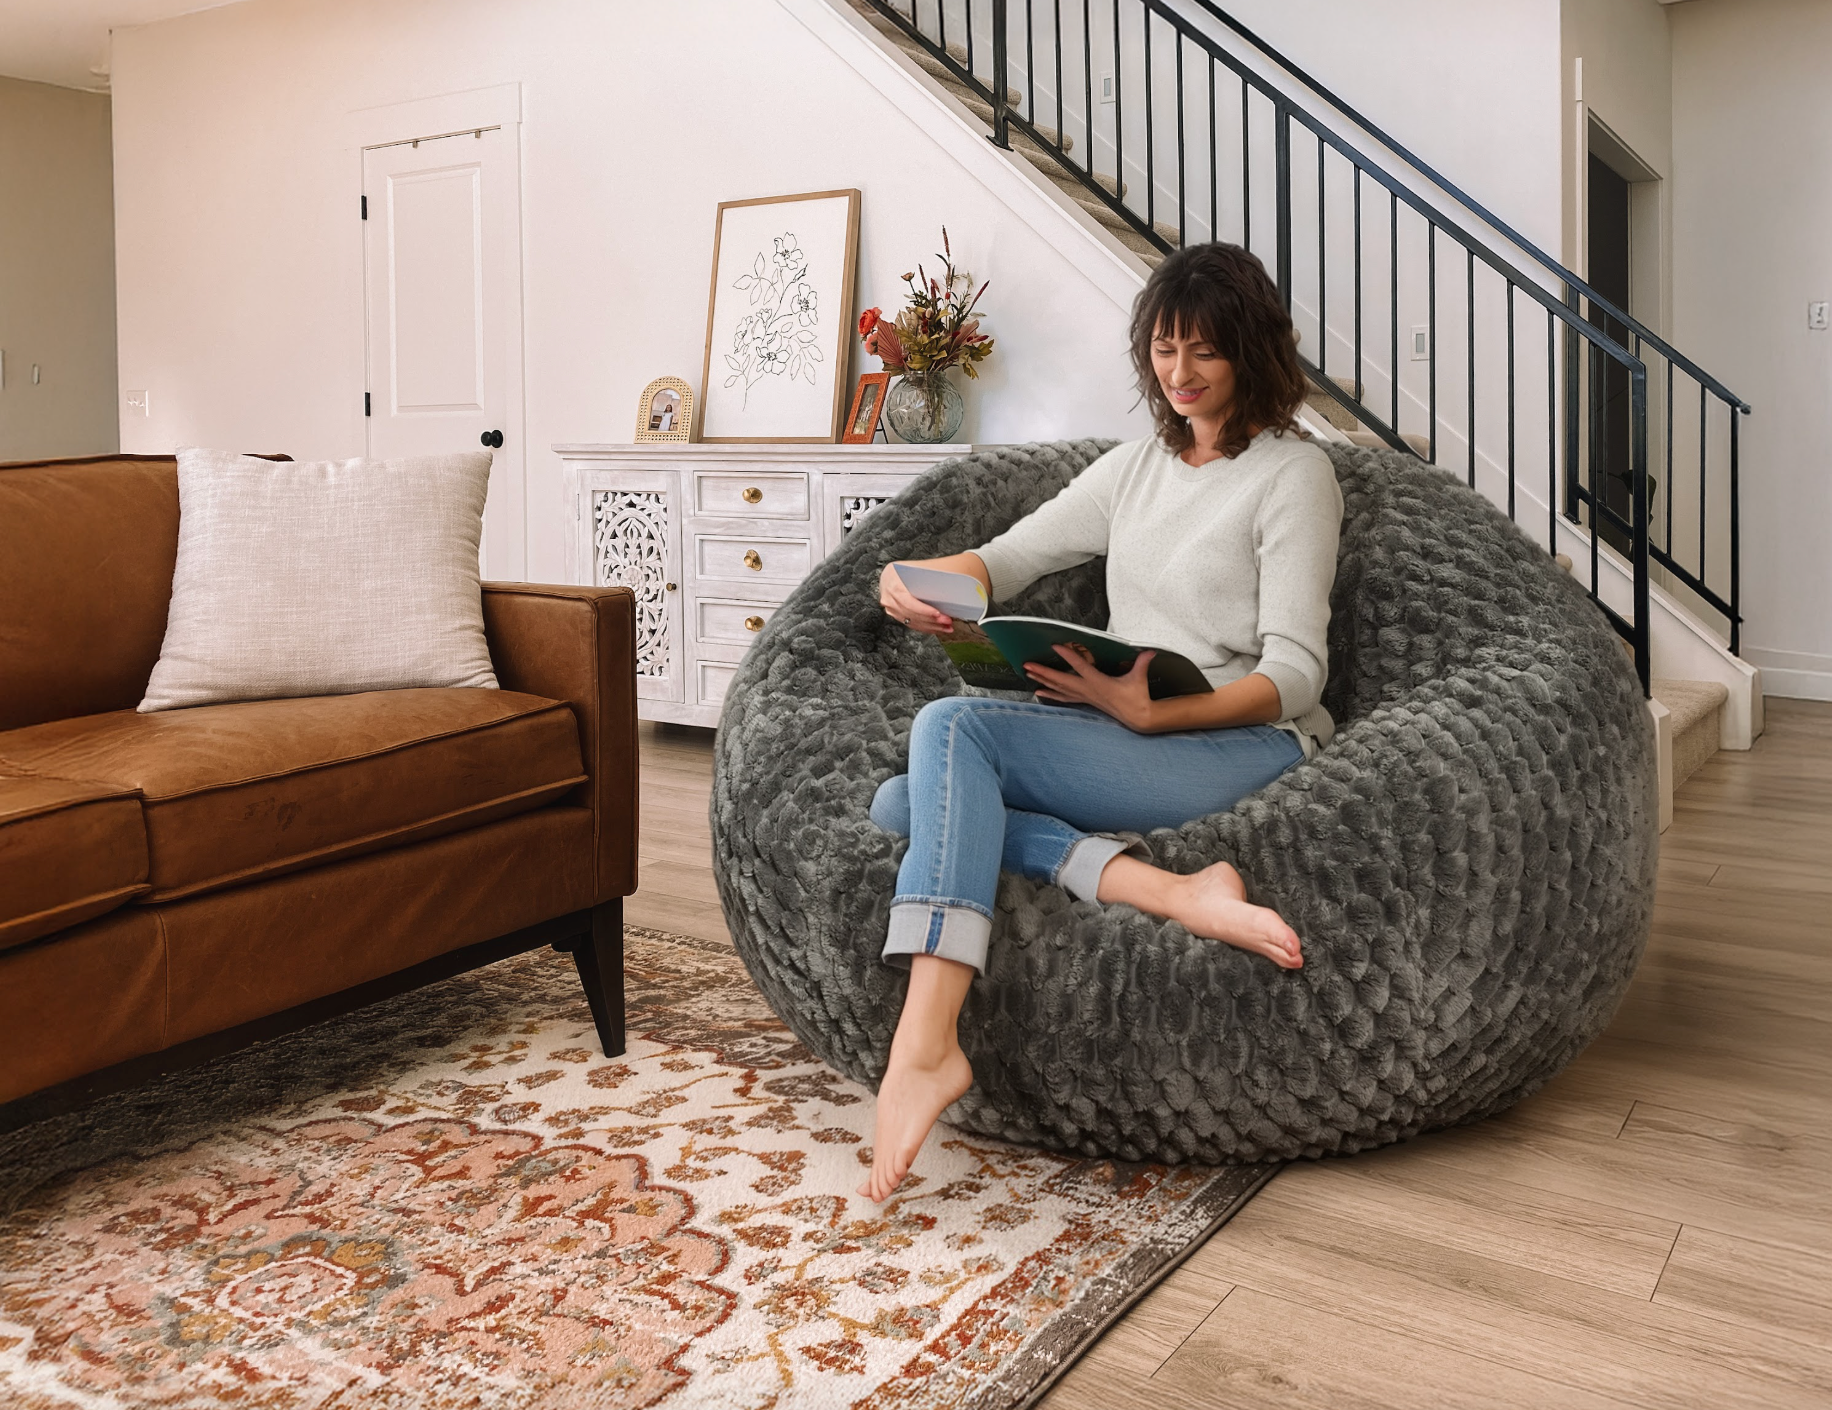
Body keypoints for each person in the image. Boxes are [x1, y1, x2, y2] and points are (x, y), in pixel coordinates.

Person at [863, 242, 1344, 1203]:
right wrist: (911, 581)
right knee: (899, 799)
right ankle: (1176, 894)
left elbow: (1296, 673)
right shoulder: (1136, 468)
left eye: (1205, 351)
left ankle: (926, 1043)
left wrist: (1156, 715)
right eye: (1165, 349)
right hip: (1136, 727)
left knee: (955, 737)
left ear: (1253, 353)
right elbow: (1006, 557)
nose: (1180, 374)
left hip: (1239, 740)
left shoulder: (1296, 476)